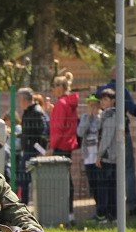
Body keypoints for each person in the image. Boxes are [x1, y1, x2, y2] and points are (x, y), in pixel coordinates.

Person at [96, 66, 136, 216]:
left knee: (109, 177)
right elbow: (132, 109)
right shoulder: (122, 90)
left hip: (106, 137)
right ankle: (132, 205)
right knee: (128, 169)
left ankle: (109, 209)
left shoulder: (102, 90)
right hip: (121, 134)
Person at [49, 72, 79, 222]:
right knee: (66, 179)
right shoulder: (68, 103)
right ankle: (69, 213)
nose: (52, 89)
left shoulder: (61, 104)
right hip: (68, 145)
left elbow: (58, 128)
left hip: (60, 146)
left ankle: (64, 213)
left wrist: (51, 147)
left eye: (54, 86)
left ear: (61, 87)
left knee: (62, 181)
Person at [16, 87, 50, 204]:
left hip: (33, 151)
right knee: (23, 179)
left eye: (20, 100)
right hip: (27, 149)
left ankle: (25, 202)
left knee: (26, 179)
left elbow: (43, 133)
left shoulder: (36, 111)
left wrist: (41, 151)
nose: (19, 103)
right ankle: (24, 202)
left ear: (25, 99)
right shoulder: (28, 111)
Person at [77, 94, 104, 218]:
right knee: (93, 184)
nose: (92, 108)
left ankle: (102, 210)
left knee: (101, 184)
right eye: (90, 105)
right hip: (88, 157)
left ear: (99, 105)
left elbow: (100, 129)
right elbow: (80, 132)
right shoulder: (84, 117)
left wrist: (96, 117)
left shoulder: (102, 117)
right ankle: (98, 209)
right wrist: (88, 118)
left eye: (95, 105)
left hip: (99, 156)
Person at [96, 89, 119, 220]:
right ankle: (111, 215)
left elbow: (107, 138)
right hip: (110, 156)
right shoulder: (107, 114)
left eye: (105, 99)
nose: (102, 102)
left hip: (109, 157)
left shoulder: (111, 116)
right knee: (109, 187)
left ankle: (110, 215)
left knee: (108, 188)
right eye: (101, 99)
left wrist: (99, 155)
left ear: (112, 101)